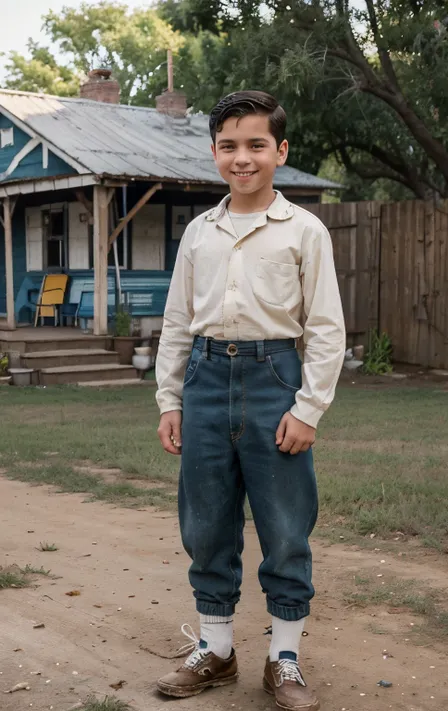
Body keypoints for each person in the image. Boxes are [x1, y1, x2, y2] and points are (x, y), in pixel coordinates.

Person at [155, 90, 345, 711]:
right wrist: (170, 399)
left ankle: (282, 659)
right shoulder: (198, 234)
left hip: (275, 380)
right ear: (213, 153)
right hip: (206, 381)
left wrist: (308, 408)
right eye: (230, 146)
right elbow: (178, 322)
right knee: (206, 523)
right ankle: (215, 649)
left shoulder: (304, 231)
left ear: (280, 151)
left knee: (286, 525)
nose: (243, 158)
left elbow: (324, 330)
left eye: (256, 145)